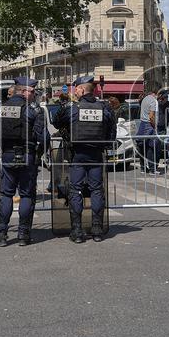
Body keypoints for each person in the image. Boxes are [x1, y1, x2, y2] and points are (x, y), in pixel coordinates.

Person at [52, 75, 116, 243]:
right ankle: (96, 229)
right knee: (96, 190)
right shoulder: (105, 107)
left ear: (81, 89)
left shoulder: (72, 108)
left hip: (78, 154)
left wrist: (64, 106)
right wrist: (105, 146)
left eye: (76, 89)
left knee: (76, 190)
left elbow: (56, 122)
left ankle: (77, 230)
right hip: (96, 154)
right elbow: (112, 131)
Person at [0, 77, 45, 246]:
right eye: (32, 92)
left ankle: (0, 235)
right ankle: (24, 235)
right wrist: (37, 152)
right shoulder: (35, 111)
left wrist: (1, 147)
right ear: (23, 91)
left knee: (6, 194)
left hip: (7, 155)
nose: (34, 95)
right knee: (26, 194)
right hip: (28, 155)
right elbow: (43, 137)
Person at [136, 88, 159, 174]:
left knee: (142, 147)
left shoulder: (144, 99)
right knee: (151, 148)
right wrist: (154, 126)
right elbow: (151, 116)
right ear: (155, 93)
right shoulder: (153, 101)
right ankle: (152, 169)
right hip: (149, 125)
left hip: (142, 124)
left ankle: (143, 168)